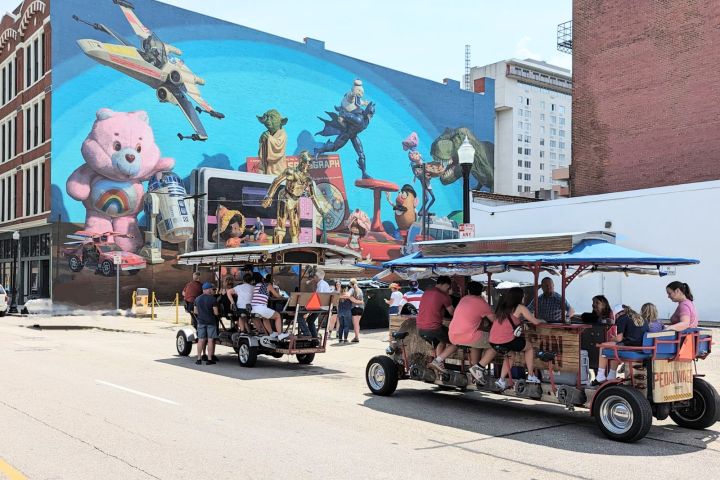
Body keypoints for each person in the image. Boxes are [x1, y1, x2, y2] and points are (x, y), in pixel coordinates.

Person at [472, 287, 544, 389]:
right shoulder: (520, 307)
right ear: (520, 297)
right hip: (506, 340)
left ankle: (501, 380)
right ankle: (531, 375)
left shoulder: (502, 307)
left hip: (493, 340)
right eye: (523, 296)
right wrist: (544, 321)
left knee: (510, 355)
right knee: (529, 347)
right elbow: (535, 321)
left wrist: (521, 323)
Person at [448, 282, 494, 379]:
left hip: (452, 336)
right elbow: (495, 321)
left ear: (468, 291)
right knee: (498, 343)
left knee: (477, 341)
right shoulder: (482, 302)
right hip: (469, 337)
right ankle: (479, 367)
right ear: (481, 292)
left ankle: (475, 371)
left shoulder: (463, 299)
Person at [594, 304, 649, 384]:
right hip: (642, 348)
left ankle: (600, 376)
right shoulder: (641, 317)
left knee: (603, 346)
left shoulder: (622, 318)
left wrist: (612, 338)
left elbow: (619, 338)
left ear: (617, 314)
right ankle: (611, 376)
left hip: (630, 347)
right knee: (615, 347)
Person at [416, 276, 456, 373]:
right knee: (456, 342)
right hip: (434, 328)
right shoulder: (443, 295)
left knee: (441, 341)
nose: (449, 289)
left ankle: (439, 366)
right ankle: (438, 361)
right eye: (449, 287)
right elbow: (452, 312)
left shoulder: (426, 292)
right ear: (445, 284)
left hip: (420, 329)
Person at [250, 272, 289, 341]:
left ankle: (271, 333)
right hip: (261, 308)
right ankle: (280, 334)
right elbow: (277, 296)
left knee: (265, 317)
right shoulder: (268, 285)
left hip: (253, 308)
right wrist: (285, 298)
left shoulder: (257, 285)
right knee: (277, 316)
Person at [300, 269, 333, 338]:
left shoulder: (320, 284)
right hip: (324, 306)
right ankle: (314, 337)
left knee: (299, 314)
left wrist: (307, 306)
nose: (314, 277)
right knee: (310, 320)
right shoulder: (324, 283)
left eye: (314, 276)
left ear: (317, 277)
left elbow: (319, 298)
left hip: (320, 306)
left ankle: (306, 333)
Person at [194, 282, 219, 365]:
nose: (212, 291)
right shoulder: (212, 299)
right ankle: (209, 359)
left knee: (200, 340)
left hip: (201, 322)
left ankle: (198, 359)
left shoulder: (197, 299)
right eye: (211, 289)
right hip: (211, 322)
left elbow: (195, 311)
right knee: (210, 340)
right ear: (207, 289)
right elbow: (216, 313)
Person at [348, 278, 365, 342]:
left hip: (354, 308)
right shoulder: (360, 290)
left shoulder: (351, 289)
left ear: (350, 284)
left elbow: (348, 296)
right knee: (357, 323)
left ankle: (357, 337)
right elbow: (362, 300)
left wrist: (354, 300)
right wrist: (360, 302)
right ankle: (357, 336)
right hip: (361, 308)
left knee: (355, 324)